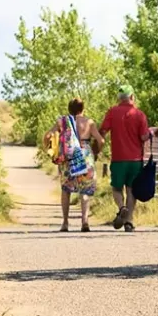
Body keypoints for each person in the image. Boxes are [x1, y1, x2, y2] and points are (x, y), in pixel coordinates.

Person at [44, 98, 103, 233]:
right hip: (85, 156)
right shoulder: (89, 122)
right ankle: (85, 221)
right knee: (85, 190)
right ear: (83, 109)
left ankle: (65, 223)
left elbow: (48, 135)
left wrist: (49, 148)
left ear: (69, 109)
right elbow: (101, 140)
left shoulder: (62, 122)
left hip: (68, 158)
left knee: (66, 190)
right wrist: (96, 151)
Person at [99, 85, 153, 232]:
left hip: (118, 158)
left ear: (119, 98)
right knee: (131, 190)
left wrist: (96, 147)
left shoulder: (112, 112)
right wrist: (151, 134)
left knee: (116, 188)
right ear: (132, 97)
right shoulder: (139, 114)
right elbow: (143, 136)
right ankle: (128, 221)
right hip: (135, 160)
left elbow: (102, 131)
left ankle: (121, 207)